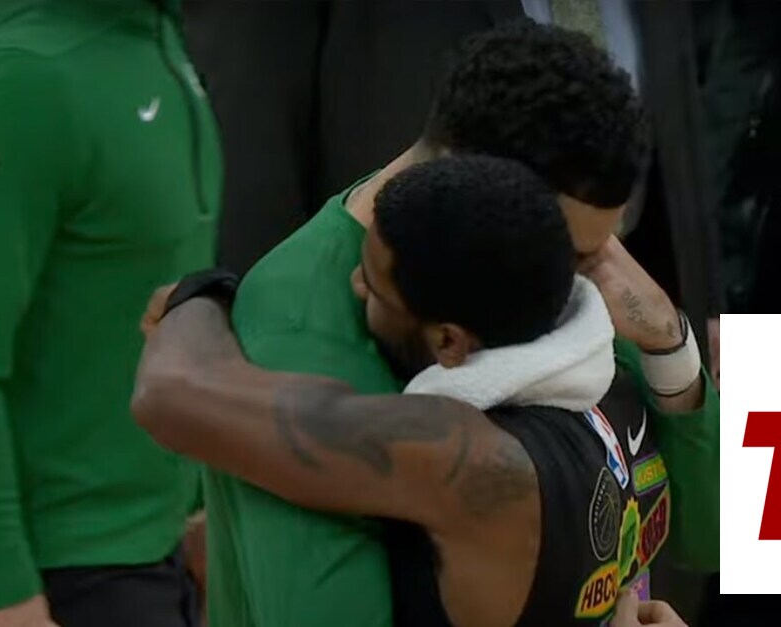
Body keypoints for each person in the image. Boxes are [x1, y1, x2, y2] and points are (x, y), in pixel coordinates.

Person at [187, 21, 717, 627]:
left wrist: (671, 345)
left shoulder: (576, 281)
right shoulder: (302, 331)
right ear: (477, 194)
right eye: (573, 255)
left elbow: (722, 536)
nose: (598, 272)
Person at [135, 154, 690, 627]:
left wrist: (202, 298)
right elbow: (723, 532)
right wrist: (674, 344)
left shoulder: (470, 460)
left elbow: (173, 394)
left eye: (375, 286)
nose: (353, 285)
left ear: (449, 340)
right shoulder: (619, 386)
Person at [0, 0, 219, 625]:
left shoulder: (157, 44)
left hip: (148, 548)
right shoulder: (18, 77)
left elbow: (147, 309)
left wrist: (195, 502)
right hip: (44, 575)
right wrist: (7, 597)